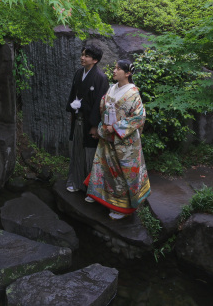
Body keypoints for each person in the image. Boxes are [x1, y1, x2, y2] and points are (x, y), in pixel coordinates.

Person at [84, 59, 151, 219]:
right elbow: (104, 108)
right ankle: (103, 198)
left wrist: (115, 127)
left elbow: (139, 117)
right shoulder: (112, 88)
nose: (114, 71)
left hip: (123, 140)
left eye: (118, 69)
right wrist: (102, 127)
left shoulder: (133, 93)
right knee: (106, 168)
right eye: (114, 68)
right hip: (107, 136)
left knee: (121, 174)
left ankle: (121, 207)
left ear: (127, 73)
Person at [65, 43, 109, 193]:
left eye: (86, 56)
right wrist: (72, 112)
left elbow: (100, 103)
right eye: (82, 54)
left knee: (90, 153)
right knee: (76, 149)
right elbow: (73, 93)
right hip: (78, 118)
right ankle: (75, 181)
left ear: (95, 60)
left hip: (90, 122)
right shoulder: (79, 72)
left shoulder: (101, 78)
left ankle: (91, 187)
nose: (82, 58)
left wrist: (95, 125)